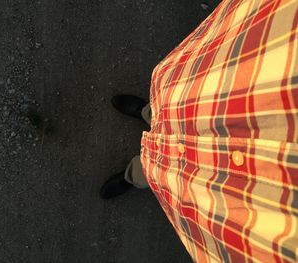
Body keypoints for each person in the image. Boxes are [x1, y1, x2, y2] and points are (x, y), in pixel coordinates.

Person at [101, 0, 298, 262]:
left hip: (260, 208)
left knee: (182, 184)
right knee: (197, 94)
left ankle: (140, 173)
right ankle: (152, 113)